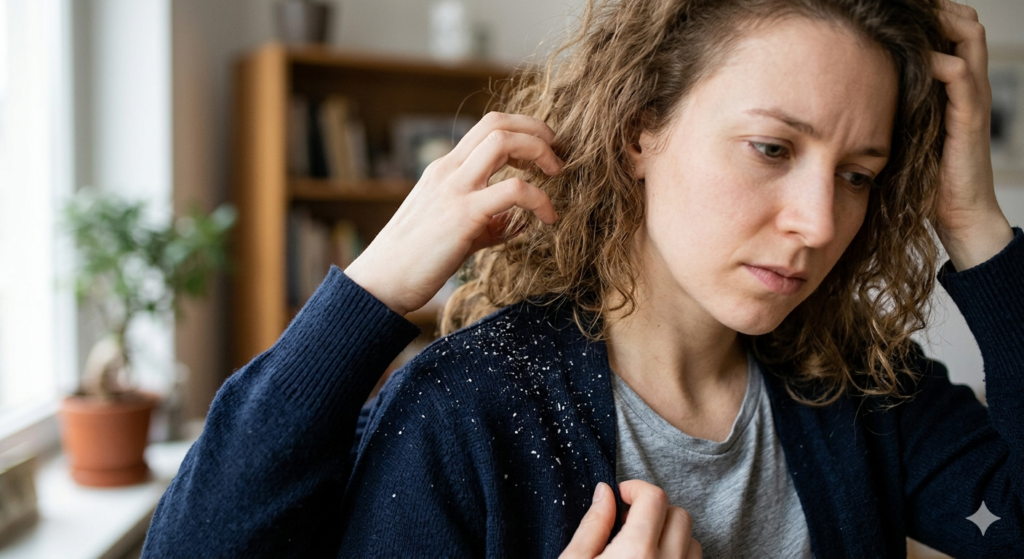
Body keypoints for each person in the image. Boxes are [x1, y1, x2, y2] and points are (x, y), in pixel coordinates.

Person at [143, 0, 1024, 557]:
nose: (821, 221)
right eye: (772, 148)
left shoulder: (866, 391)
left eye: (858, 173)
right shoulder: (471, 408)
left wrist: (976, 225)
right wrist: (366, 294)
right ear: (643, 130)